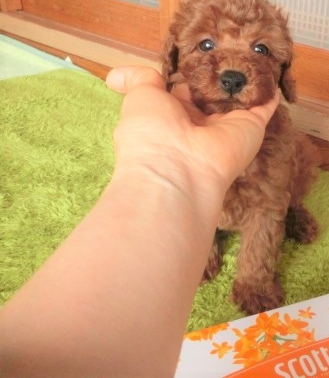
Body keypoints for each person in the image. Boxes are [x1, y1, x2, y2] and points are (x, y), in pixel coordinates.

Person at [0, 66, 280, 378]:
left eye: (261, 50)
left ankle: (254, 279)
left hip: (261, 176)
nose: (232, 71)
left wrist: (255, 279)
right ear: (174, 60)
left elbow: (269, 208)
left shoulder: (276, 139)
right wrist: (172, 169)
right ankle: (208, 250)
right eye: (205, 44)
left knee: (275, 202)